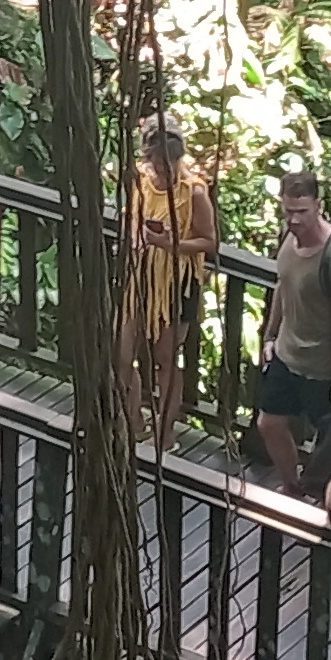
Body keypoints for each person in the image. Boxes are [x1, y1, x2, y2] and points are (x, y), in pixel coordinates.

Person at [253, 171, 331, 493]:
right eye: (288, 211)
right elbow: (282, 285)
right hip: (288, 353)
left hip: (322, 367)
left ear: (319, 206)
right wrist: (270, 335)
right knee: (269, 423)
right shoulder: (287, 237)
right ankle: (292, 486)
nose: (294, 219)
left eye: (301, 212)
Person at [118, 119, 220, 446]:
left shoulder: (194, 192)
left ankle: (165, 434)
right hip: (141, 276)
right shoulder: (141, 181)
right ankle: (134, 420)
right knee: (121, 353)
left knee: (165, 358)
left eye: (167, 163)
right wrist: (137, 235)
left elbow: (209, 241)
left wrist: (171, 245)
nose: (160, 168)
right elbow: (130, 216)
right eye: (155, 162)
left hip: (177, 282)